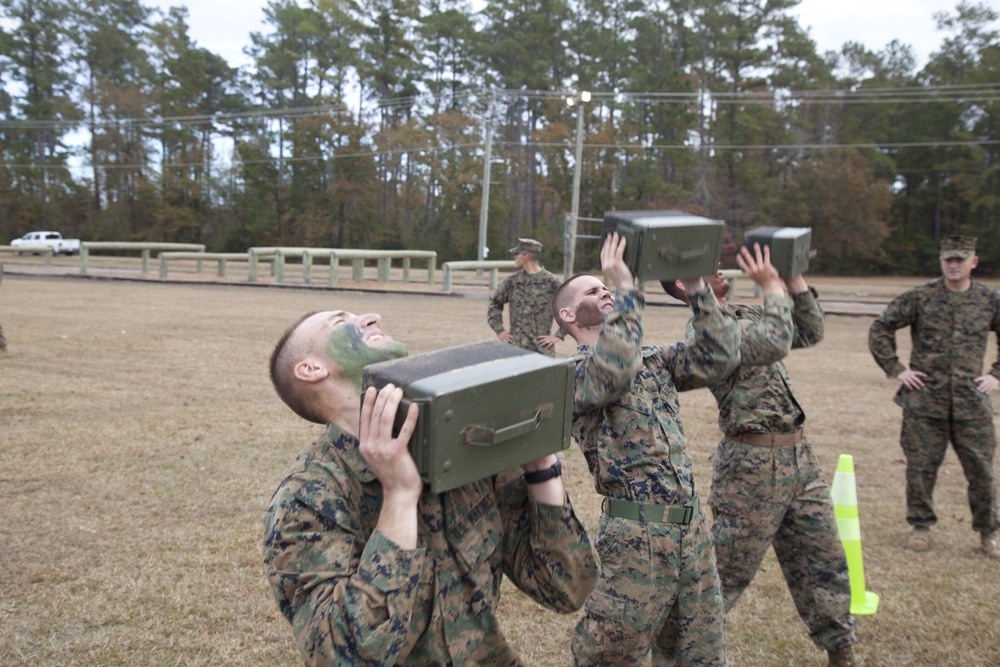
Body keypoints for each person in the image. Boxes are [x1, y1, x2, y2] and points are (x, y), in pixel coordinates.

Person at [262, 309, 600, 666]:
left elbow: (567, 587)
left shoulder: (465, 445)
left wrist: (540, 463)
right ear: (311, 368)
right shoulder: (309, 495)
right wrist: (399, 497)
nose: (372, 317)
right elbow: (341, 655)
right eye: (340, 321)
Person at [662, 245, 858, 667]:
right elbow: (770, 343)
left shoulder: (741, 314)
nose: (718, 268)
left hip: (797, 455)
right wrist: (771, 287)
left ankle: (841, 650)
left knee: (822, 556)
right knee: (725, 573)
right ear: (684, 285)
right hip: (751, 465)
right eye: (705, 269)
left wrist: (793, 280)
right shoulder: (705, 332)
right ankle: (676, 649)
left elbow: (807, 330)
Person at [551, 232, 739, 667]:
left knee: (699, 656)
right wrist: (628, 291)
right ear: (567, 314)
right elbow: (612, 371)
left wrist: (696, 289)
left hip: (691, 531)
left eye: (607, 286)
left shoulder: (653, 359)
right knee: (609, 657)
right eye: (593, 290)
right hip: (637, 536)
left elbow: (721, 355)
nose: (605, 291)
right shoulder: (570, 375)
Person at [869, 234, 1000, 560]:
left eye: (960, 259)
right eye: (948, 259)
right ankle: (921, 526)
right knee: (921, 467)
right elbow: (882, 327)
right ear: (941, 261)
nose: (953, 265)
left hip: (971, 402)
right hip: (925, 402)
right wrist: (897, 369)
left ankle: (989, 533)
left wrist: (996, 374)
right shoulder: (921, 297)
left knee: (982, 471)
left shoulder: (988, 299)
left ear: (973, 262)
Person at [487, 238, 564, 356]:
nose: (514, 257)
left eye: (516, 254)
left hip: (541, 352)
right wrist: (500, 331)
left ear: (526, 256)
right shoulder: (512, 282)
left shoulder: (552, 283)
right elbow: (494, 304)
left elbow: (574, 309)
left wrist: (558, 335)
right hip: (515, 351)